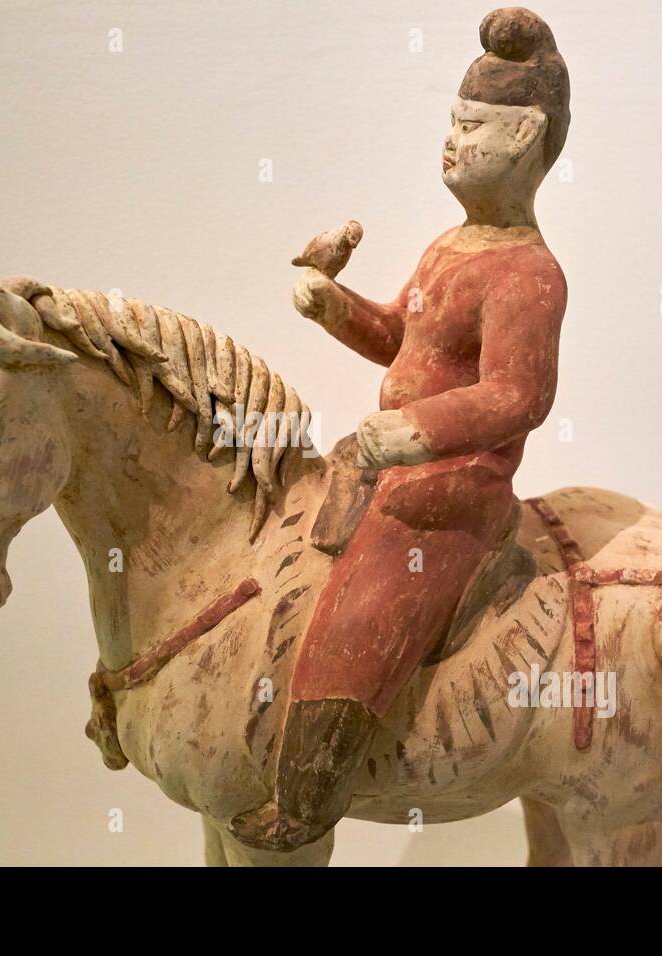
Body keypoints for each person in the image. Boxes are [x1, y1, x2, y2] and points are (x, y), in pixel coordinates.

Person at [230, 7, 572, 852]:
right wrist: (332, 305)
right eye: (451, 124)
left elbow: (519, 395)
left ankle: (305, 800)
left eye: (470, 127)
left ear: (525, 137)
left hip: (450, 496)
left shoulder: (527, 273)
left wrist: (416, 432)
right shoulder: (450, 247)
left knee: (360, 616)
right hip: (392, 466)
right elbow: (401, 337)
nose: (450, 142)